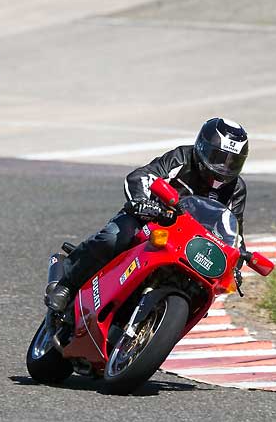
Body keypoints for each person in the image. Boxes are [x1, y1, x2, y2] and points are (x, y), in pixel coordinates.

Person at [45, 117, 250, 312]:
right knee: (114, 237)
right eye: (219, 158)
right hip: (151, 220)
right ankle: (68, 284)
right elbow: (142, 176)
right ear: (202, 148)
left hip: (190, 243)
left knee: (204, 289)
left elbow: (235, 230)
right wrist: (142, 203)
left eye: (233, 162)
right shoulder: (182, 158)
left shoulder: (236, 188)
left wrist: (236, 265)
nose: (224, 167)